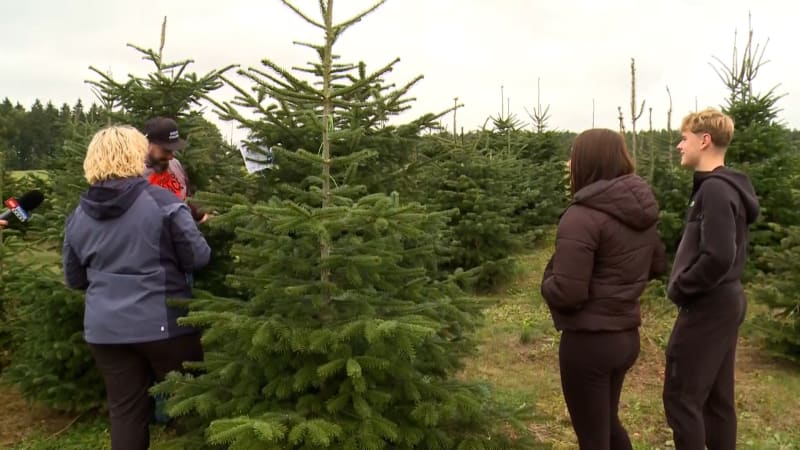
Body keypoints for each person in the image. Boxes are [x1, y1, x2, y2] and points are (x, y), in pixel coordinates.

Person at [62, 125, 211, 450]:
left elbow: (74, 279)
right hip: (165, 326)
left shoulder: (78, 214)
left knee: (126, 413)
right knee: (190, 406)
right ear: (136, 154)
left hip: (105, 332)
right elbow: (198, 258)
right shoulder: (164, 203)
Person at [541, 128, 665, 450]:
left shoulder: (582, 216)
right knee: (607, 426)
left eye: (573, 155)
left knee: (593, 438)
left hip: (589, 344)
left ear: (588, 162)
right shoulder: (642, 209)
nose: (568, 162)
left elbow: (569, 292)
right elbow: (657, 265)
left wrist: (546, 282)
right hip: (625, 336)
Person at [663, 108, 759, 450]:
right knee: (718, 400)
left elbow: (719, 255)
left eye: (684, 138)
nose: (679, 145)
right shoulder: (721, 187)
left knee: (681, 398)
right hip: (725, 301)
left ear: (704, 141)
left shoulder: (715, 190)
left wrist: (681, 287)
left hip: (709, 305)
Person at [143, 116, 208, 224]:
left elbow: (187, 197)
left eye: (173, 150)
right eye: (166, 150)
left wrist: (201, 215)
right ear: (147, 143)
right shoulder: (134, 174)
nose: (171, 156)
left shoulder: (175, 164)